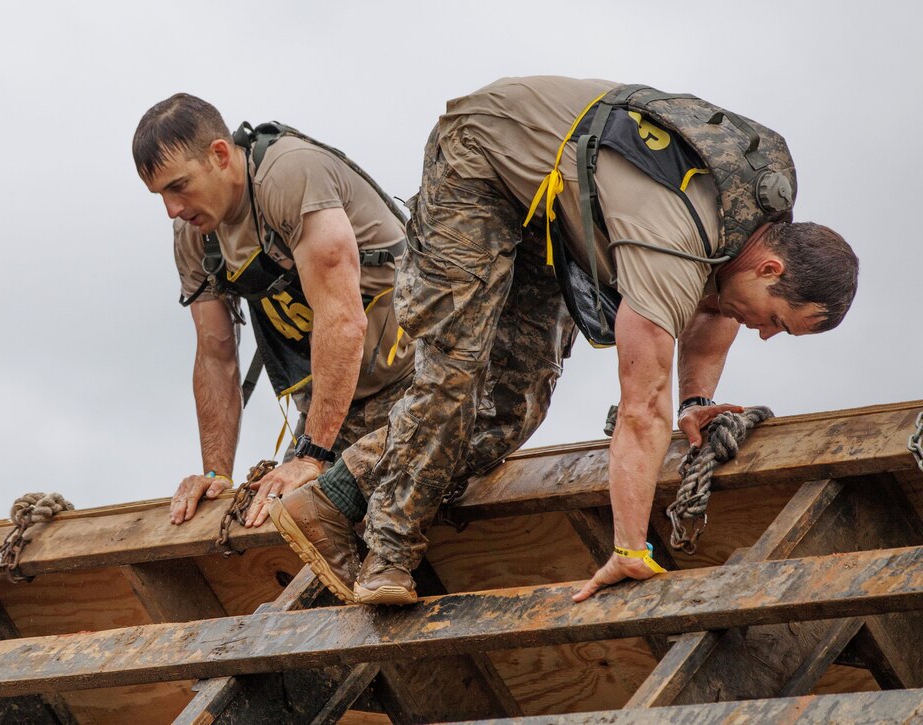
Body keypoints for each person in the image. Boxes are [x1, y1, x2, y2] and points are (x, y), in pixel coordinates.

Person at [269, 76, 859, 605]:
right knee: (457, 368)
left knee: (515, 405)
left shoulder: (750, 228)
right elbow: (640, 411)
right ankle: (389, 556)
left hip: (552, 204)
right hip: (483, 153)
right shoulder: (672, 242)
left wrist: (697, 403)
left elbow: (718, 307)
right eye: (777, 322)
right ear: (772, 270)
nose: (764, 334)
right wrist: (629, 546)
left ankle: (333, 496)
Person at [132, 95, 414, 560]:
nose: (172, 209)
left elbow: (341, 319)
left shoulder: (289, 175)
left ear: (220, 155)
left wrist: (311, 456)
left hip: (417, 380)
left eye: (179, 186)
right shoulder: (194, 238)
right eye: (160, 195)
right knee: (276, 529)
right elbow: (216, 353)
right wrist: (217, 477)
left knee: (392, 516)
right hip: (337, 401)